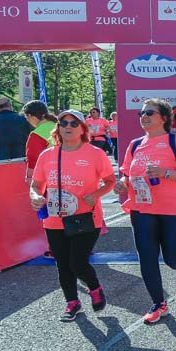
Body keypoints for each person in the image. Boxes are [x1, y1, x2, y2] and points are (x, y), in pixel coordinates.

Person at [115, 98, 176, 324]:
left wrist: (165, 173)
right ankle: (158, 303)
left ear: (163, 118)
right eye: (141, 113)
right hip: (142, 208)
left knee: (173, 259)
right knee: (147, 257)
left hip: (174, 209)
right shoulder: (134, 145)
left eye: (149, 113)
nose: (143, 117)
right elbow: (127, 174)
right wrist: (123, 183)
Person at [29, 110, 115, 321]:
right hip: (54, 218)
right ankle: (72, 302)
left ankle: (95, 288)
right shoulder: (47, 155)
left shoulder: (95, 154)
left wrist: (95, 195)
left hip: (86, 217)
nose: (68, 126)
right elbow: (36, 184)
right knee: (62, 263)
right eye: (63, 123)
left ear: (83, 129)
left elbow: (110, 181)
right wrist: (35, 196)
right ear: (58, 127)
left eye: (73, 123)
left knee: (77, 262)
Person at [22, 100, 57, 183]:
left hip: (49, 176)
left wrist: (29, 177)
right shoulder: (60, 126)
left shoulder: (36, 134)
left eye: (27, 118)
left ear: (30, 116)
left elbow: (33, 159)